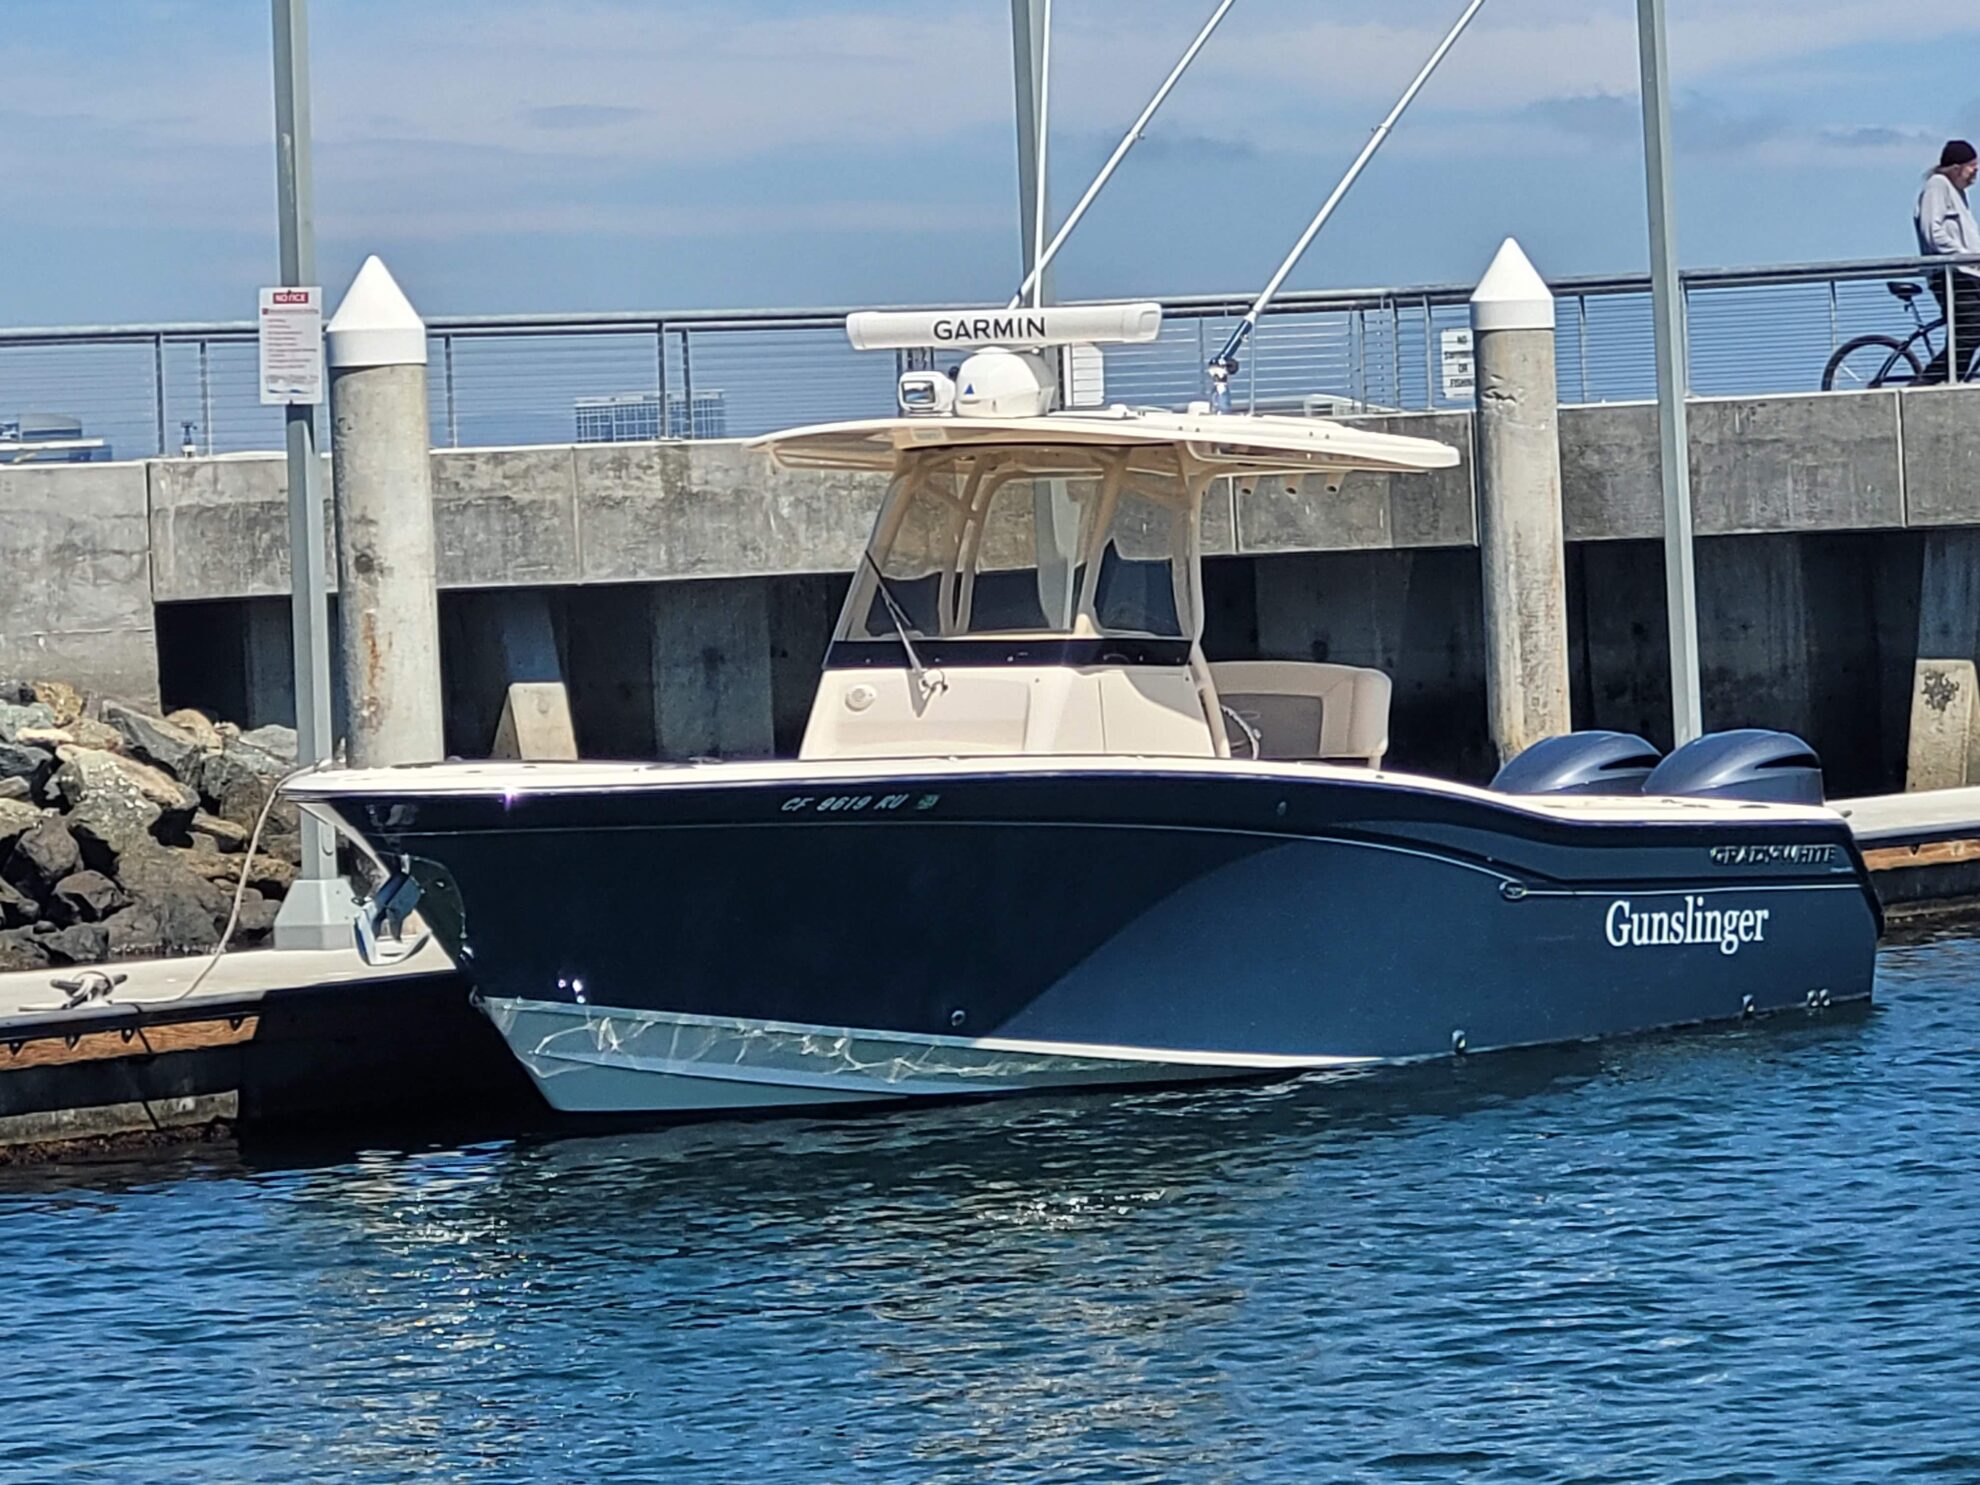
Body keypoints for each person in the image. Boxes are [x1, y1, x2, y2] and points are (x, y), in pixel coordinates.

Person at [1915, 139, 1980, 383]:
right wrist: (1964, 255)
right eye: (1972, 165)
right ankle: (1926, 384)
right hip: (1952, 274)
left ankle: (1953, 381)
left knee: (1969, 332)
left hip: (1966, 272)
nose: (1976, 171)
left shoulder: (1957, 192)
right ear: (1956, 167)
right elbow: (1933, 232)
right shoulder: (1937, 186)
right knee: (1971, 329)